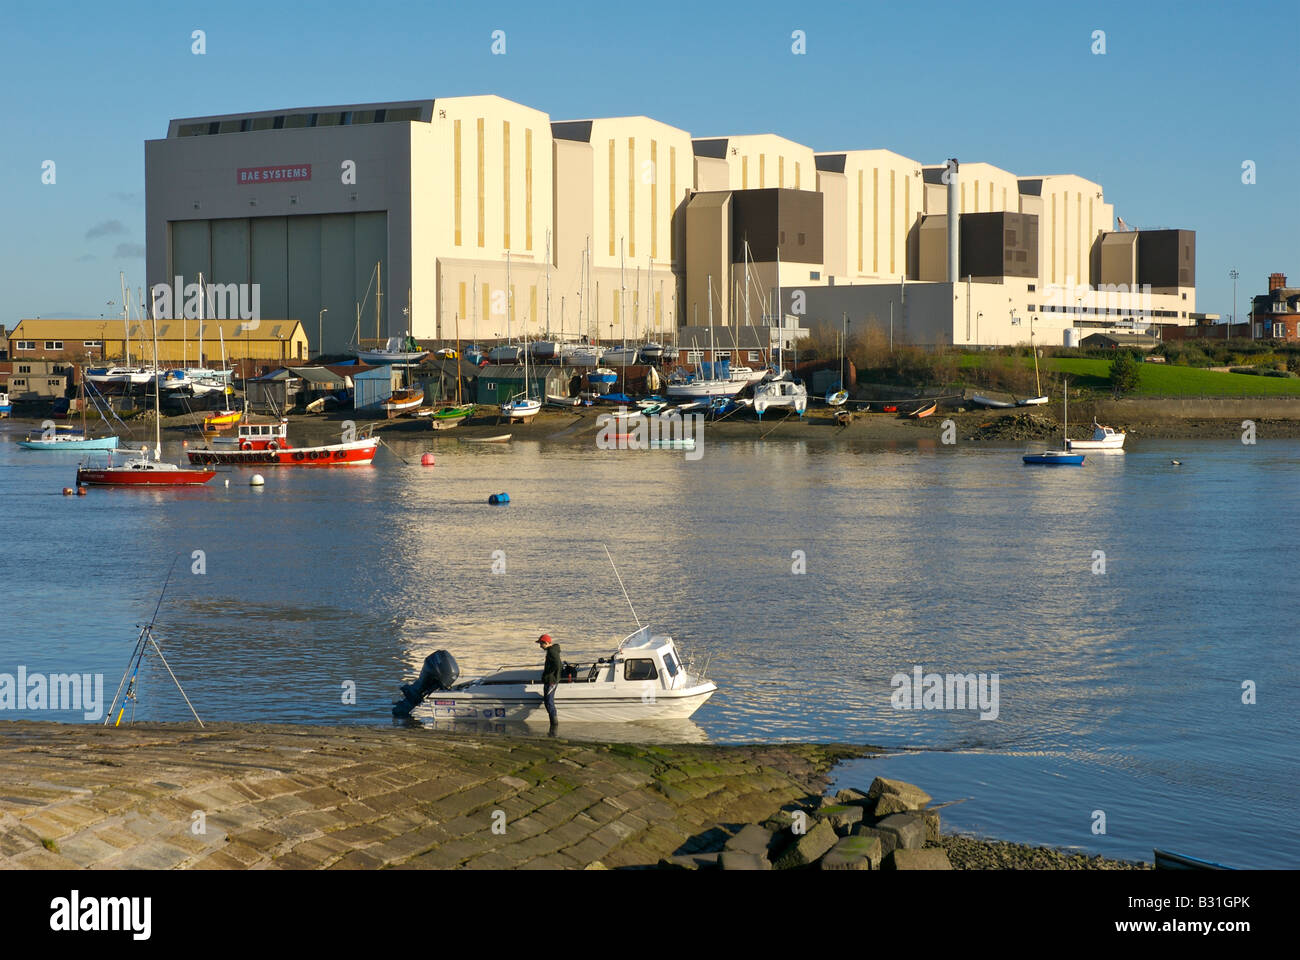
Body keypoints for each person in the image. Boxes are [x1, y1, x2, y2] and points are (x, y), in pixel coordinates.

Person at [537, 633, 561, 727]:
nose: (540, 646)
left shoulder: (552, 652)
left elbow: (558, 665)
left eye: (541, 644)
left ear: (546, 643)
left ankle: (554, 725)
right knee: (547, 701)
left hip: (551, 681)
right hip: (550, 680)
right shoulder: (552, 650)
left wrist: (549, 673)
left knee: (549, 702)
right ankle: (553, 723)